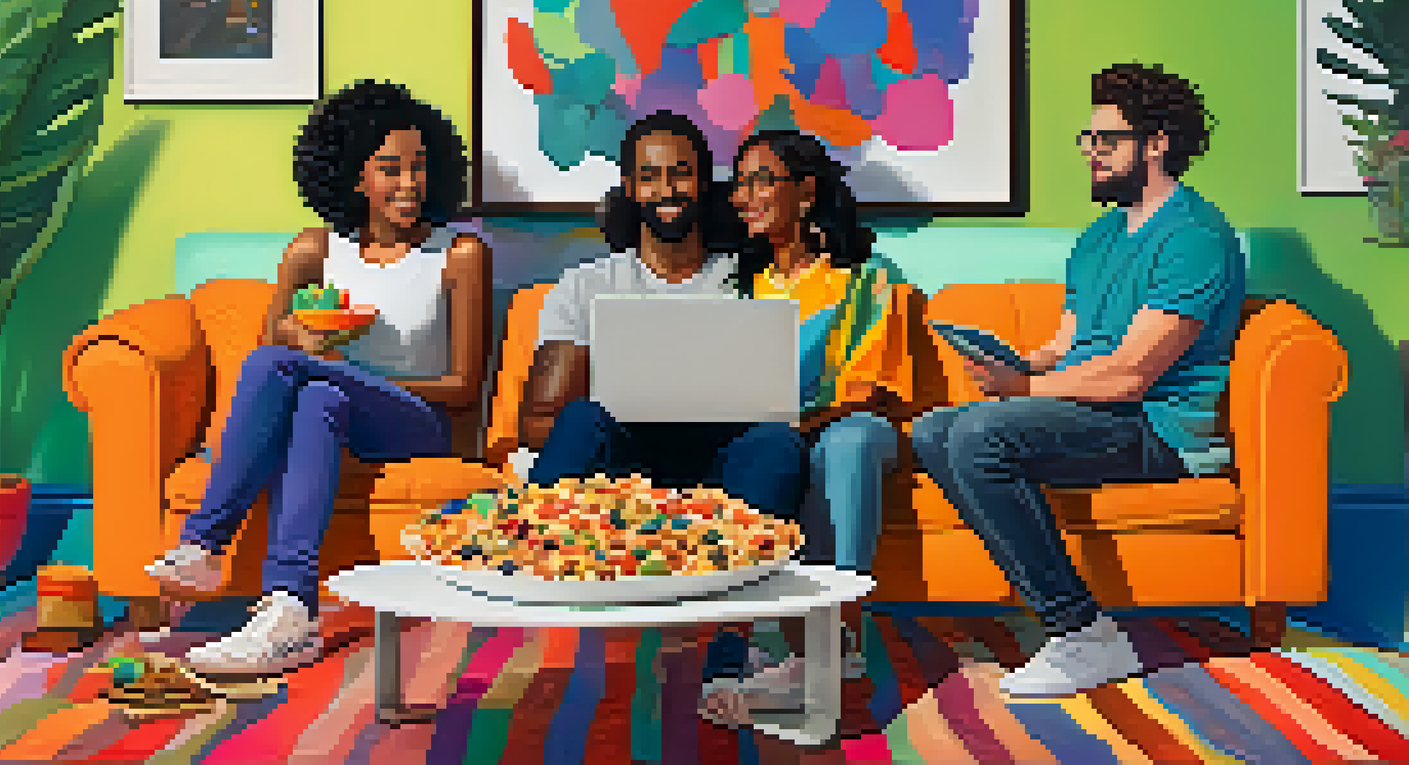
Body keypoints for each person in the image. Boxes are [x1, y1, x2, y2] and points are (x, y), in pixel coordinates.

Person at [910, 63, 1243, 698]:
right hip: (1091, 412)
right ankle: (1061, 610)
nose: (1091, 152)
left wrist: (1021, 393)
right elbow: (1067, 345)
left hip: (1155, 427)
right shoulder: (1099, 237)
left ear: (1156, 144)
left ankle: (1082, 632)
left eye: (1107, 140)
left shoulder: (1194, 238)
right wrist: (1017, 363)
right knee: (932, 431)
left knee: (980, 435)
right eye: (1088, 138)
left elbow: (1131, 376)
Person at [144, 79, 492, 680]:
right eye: (390, 169)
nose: (409, 183)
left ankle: (204, 542)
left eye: (418, 167)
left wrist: (321, 364)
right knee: (317, 398)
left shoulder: (458, 254)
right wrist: (302, 341)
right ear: (354, 177)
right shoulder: (315, 250)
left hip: (422, 423)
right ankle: (290, 609)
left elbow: (464, 388)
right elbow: (274, 349)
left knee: (294, 373)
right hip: (336, 410)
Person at [699, 130, 911, 723]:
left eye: (760, 180)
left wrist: (800, 424)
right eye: (739, 183)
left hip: (851, 427)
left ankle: (836, 642)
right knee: (758, 451)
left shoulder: (868, 279)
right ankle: (748, 642)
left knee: (847, 442)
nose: (743, 196)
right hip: (767, 433)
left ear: (807, 191)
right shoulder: (738, 287)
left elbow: (873, 394)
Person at [522, 111, 808, 519]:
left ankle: (736, 556)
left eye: (681, 174)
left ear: (704, 181)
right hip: (622, 464)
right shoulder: (586, 285)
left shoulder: (755, 280)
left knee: (779, 444)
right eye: (649, 177)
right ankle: (533, 548)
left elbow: (785, 404)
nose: (667, 190)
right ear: (629, 187)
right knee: (582, 419)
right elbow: (536, 424)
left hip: (723, 461)